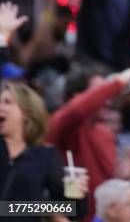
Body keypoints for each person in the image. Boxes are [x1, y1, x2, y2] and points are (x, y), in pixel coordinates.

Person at [46, 65, 130, 222]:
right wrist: (117, 83)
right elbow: (77, 110)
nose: (107, 99)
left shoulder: (105, 134)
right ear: (77, 96)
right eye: (100, 91)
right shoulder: (61, 125)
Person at [0, 81, 88, 221]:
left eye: (7, 102)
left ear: (26, 113)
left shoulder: (45, 156)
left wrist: (77, 195)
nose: (1, 107)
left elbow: (71, 210)